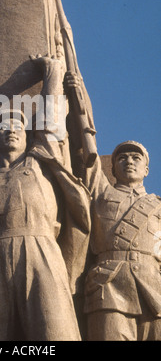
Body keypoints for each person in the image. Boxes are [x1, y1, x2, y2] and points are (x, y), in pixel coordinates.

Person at [0, 54, 91, 341]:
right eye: (3, 126)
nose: (11, 130)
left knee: (55, 333)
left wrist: (53, 71)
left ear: (27, 134)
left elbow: (51, 121)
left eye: (18, 124)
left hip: (40, 248)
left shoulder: (40, 163)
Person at [65, 72, 161, 341]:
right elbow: (86, 143)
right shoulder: (102, 194)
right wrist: (78, 94)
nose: (129, 161)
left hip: (155, 289)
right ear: (114, 167)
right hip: (109, 288)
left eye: (135, 157)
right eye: (122, 157)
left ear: (146, 168)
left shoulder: (158, 206)